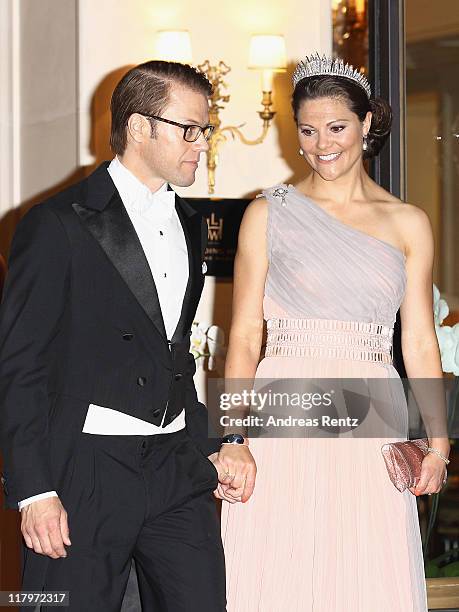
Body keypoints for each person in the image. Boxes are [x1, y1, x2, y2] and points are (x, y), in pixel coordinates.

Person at [0, 60, 255, 612]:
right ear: (140, 127)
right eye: (189, 129)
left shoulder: (189, 223)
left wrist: (210, 444)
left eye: (205, 129)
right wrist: (34, 491)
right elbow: (20, 366)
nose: (202, 144)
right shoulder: (57, 223)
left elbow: (174, 352)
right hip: (83, 469)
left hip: (174, 466)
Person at [219, 54, 450, 611]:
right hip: (285, 408)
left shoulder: (408, 222)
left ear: (367, 124)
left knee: (366, 568)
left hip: (371, 413)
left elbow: (419, 341)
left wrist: (439, 444)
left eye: (337, 127)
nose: (321, 142)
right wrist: (232, 439)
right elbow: (246, 335)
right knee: (277, 564)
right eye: (307, 128)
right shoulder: (266, 214)